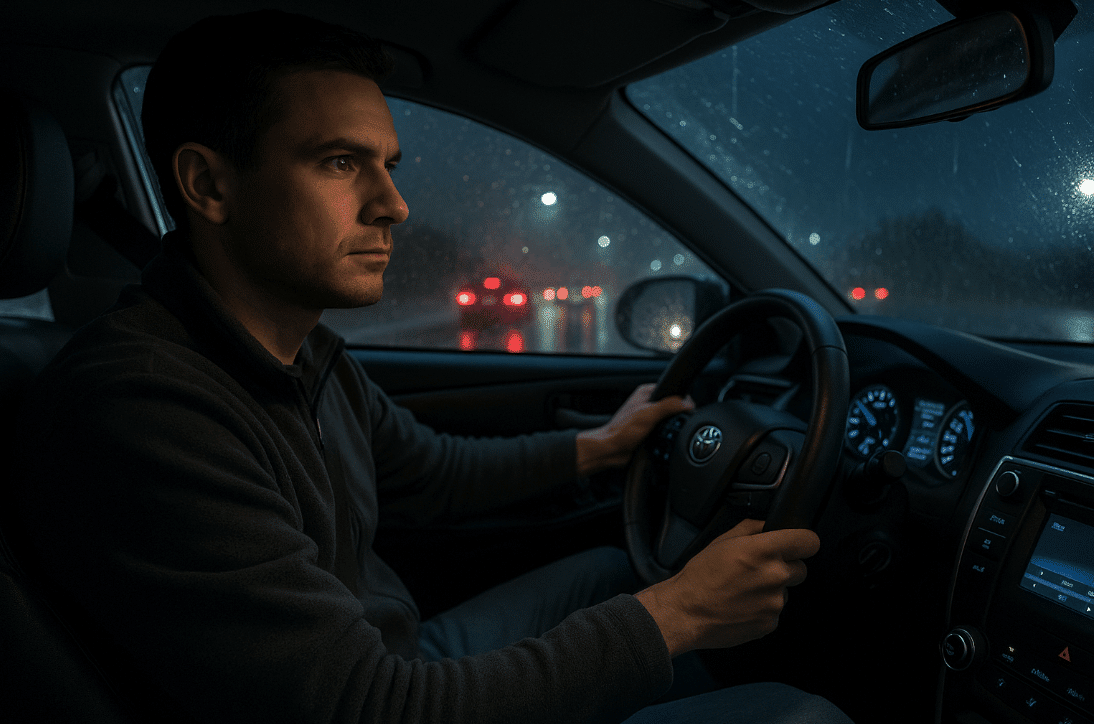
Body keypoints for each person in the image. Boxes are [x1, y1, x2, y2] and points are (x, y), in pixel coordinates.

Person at [15, 10, 851, 724]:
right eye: (341, 163)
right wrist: (681, 614)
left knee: (613, 572)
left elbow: (432, 473)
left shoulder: (302, 353)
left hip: (395, 655)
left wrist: (602, 446)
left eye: (389, 165)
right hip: (385, 697)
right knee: (803, 715)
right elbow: (371, 708)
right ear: (208, 184)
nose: (393, 204)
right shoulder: (144, 407)